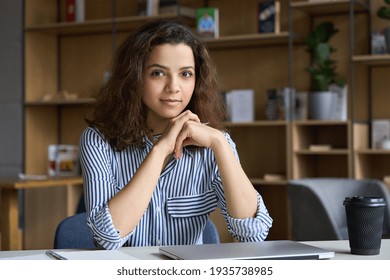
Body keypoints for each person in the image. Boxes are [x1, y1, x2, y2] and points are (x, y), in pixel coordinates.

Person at [79, 19, 272, 250]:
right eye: (158, 73)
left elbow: (253, 234)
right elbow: (107, 238)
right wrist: (161, 150)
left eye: (186, 74)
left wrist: (221, 143)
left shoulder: (214, 145)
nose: (173, 86)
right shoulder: (98, 140)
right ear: (135, 77)